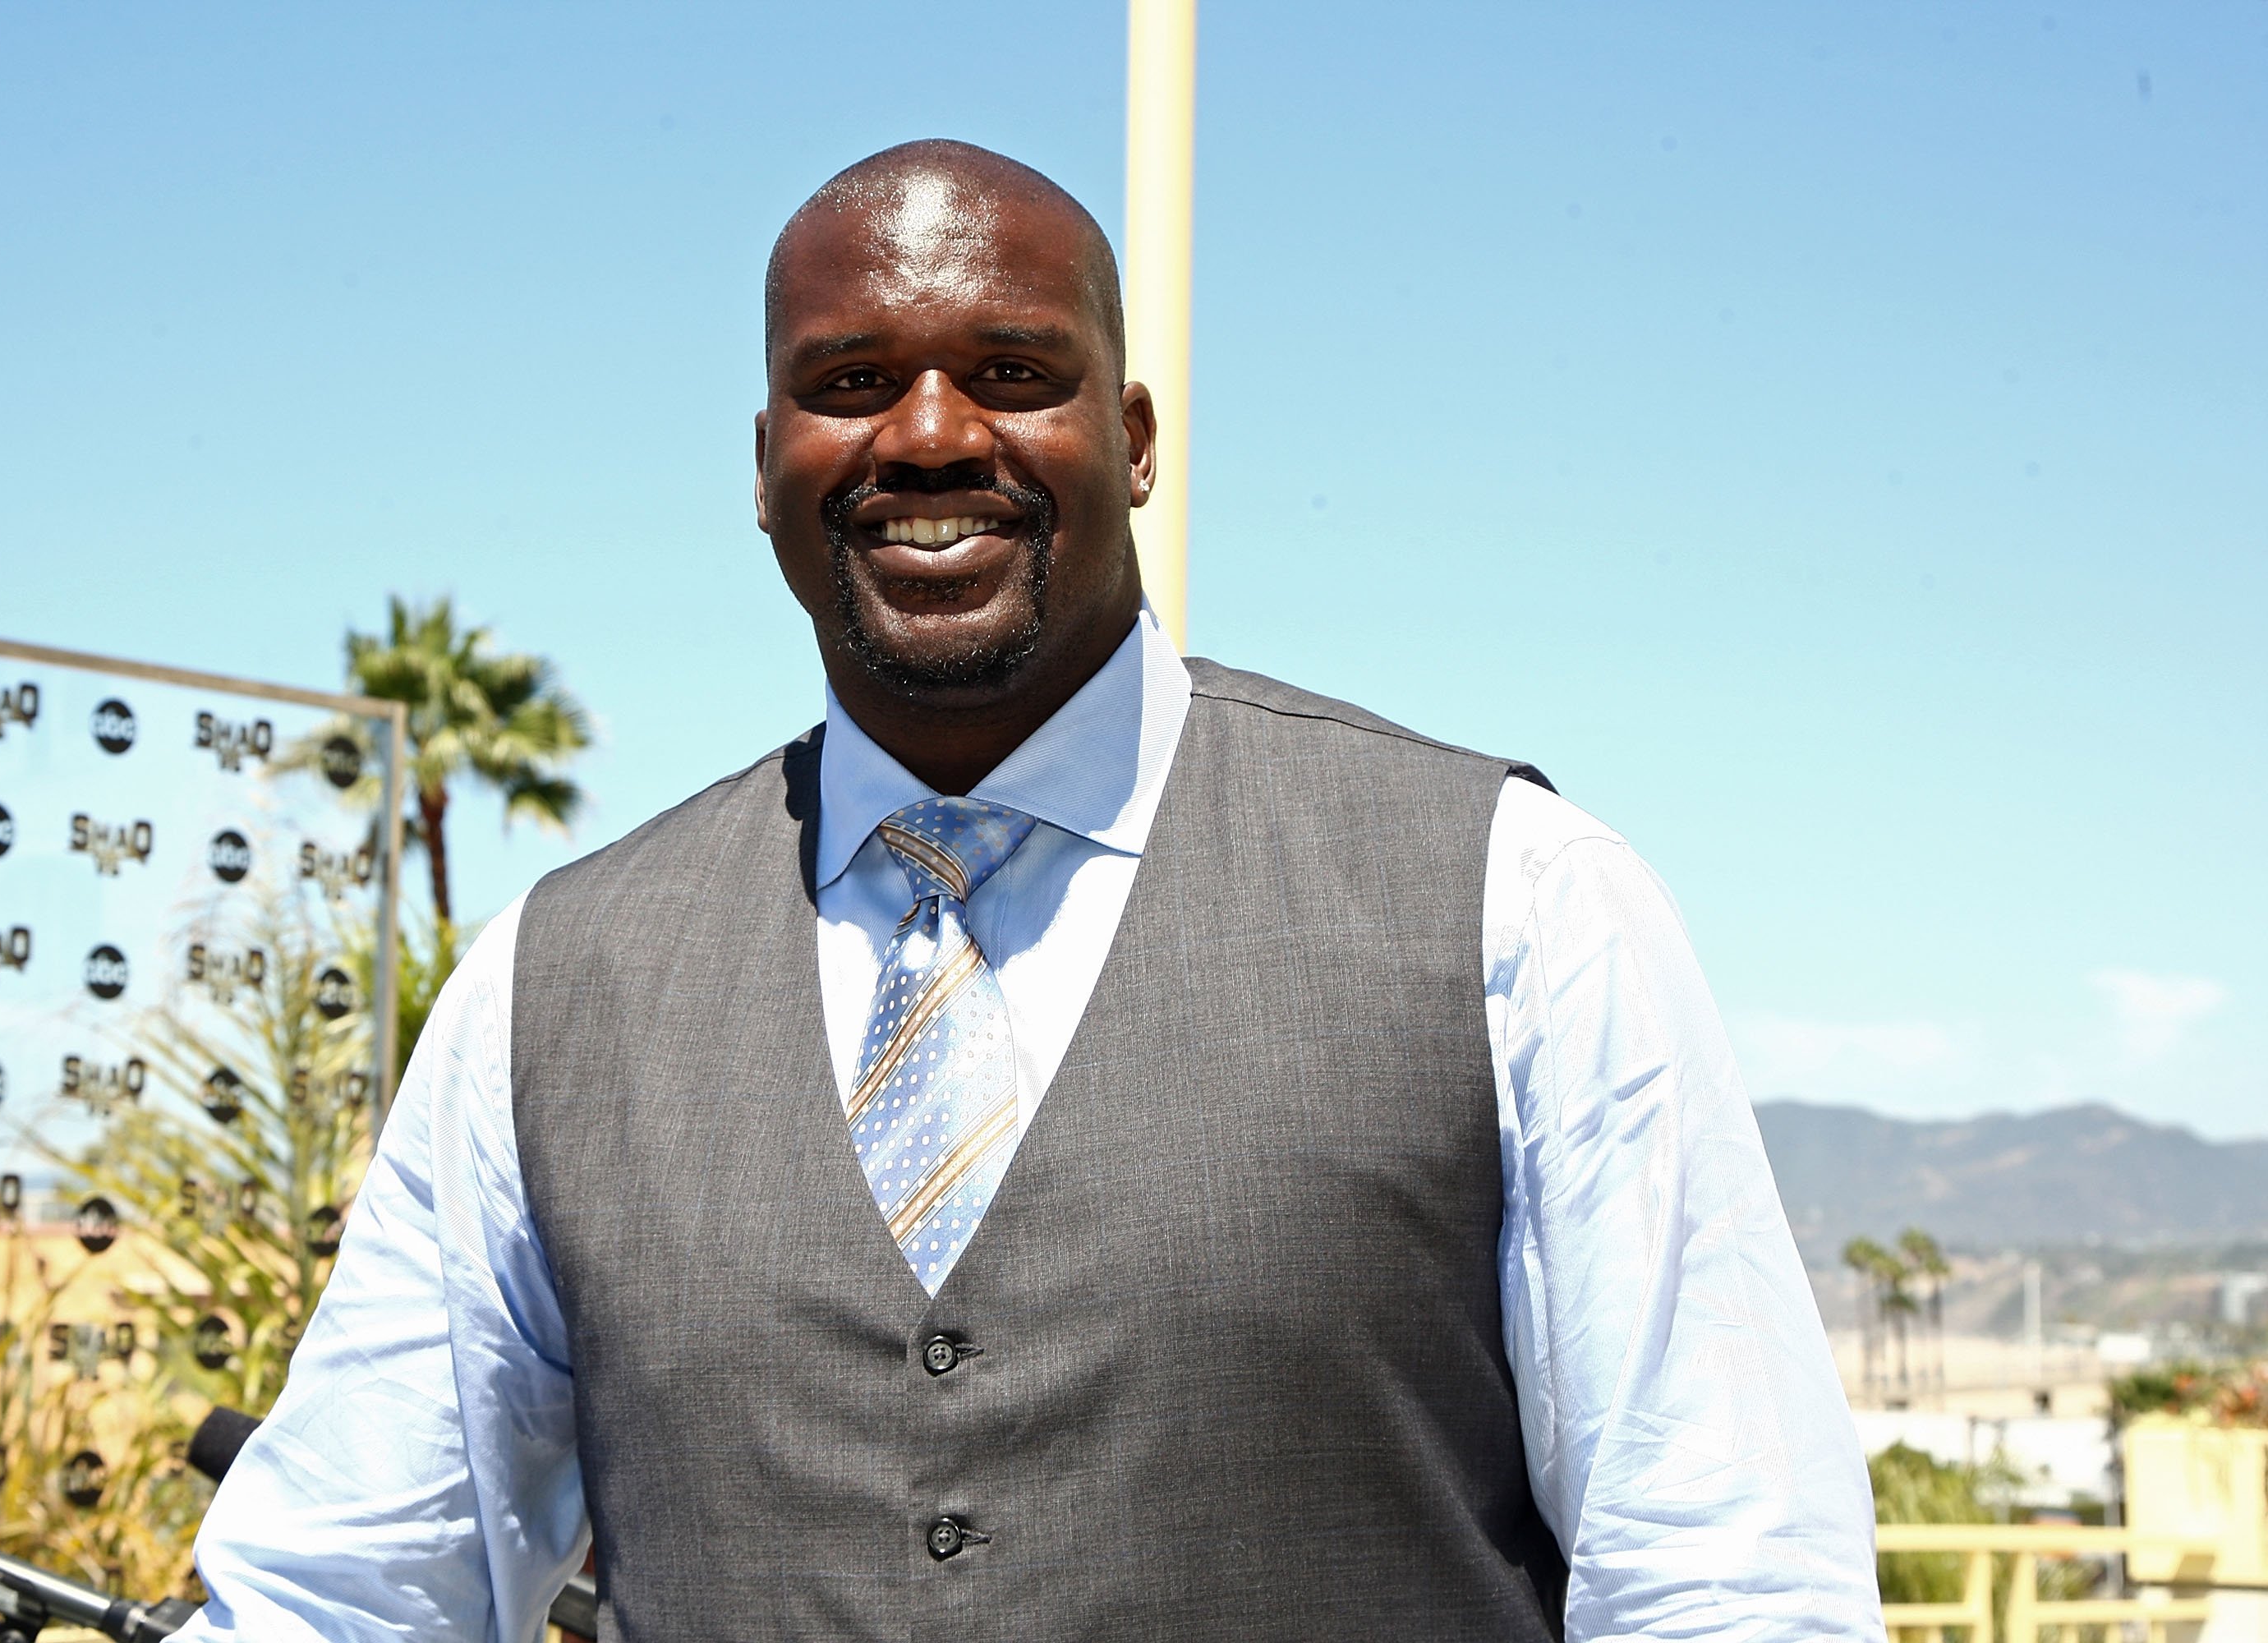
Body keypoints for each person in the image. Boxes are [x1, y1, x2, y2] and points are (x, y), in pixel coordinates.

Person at [178, 140, 1882, 1641]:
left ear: (1130, 437)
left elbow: (1727, 1583)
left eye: (1011, 369)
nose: (929, 435)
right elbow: (342, 1590)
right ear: (765, 455)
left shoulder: (1514, 903)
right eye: (852, 382)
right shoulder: (554, 988)